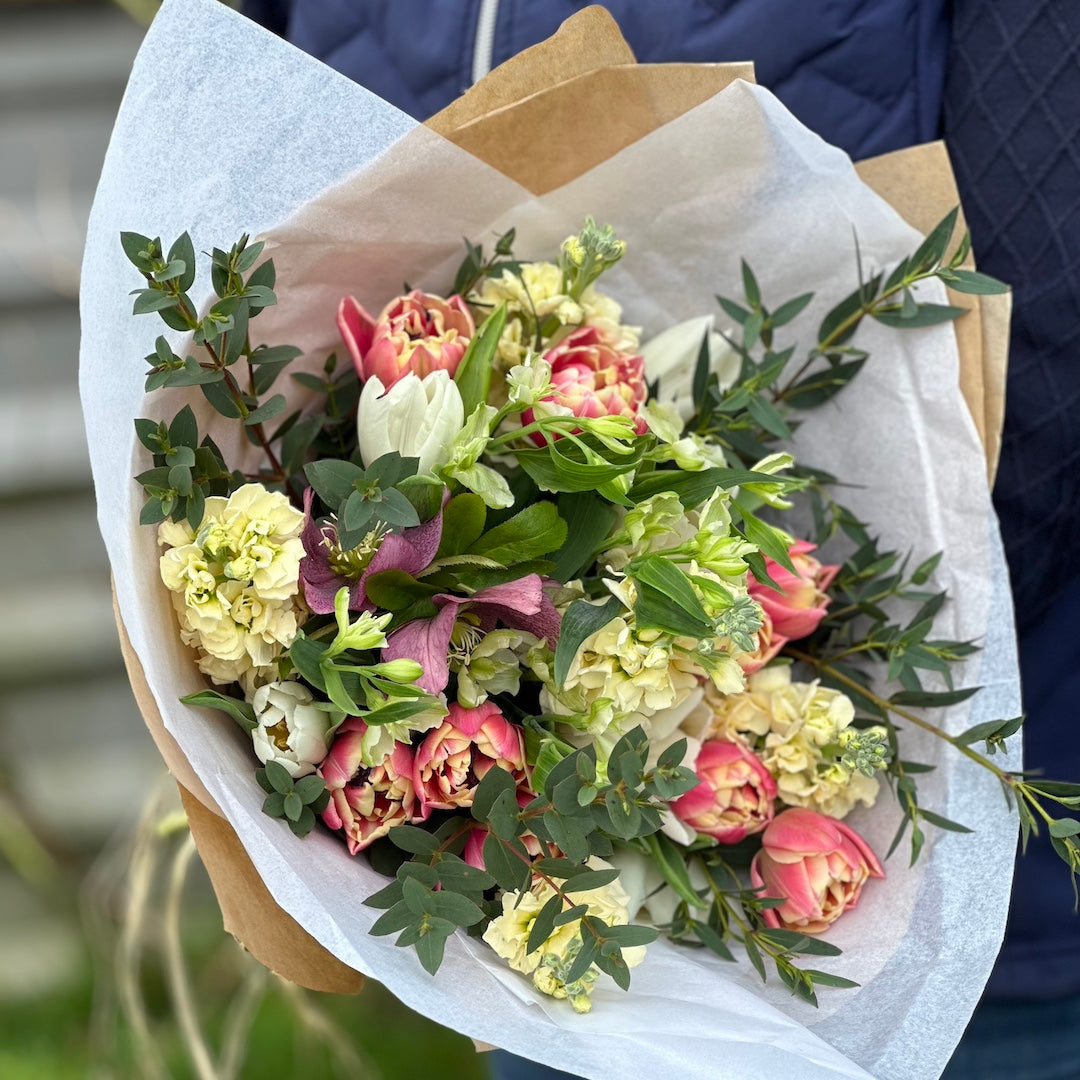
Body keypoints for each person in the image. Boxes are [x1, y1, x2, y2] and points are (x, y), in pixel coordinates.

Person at [240, 4, 1080, 1077]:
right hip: (548, 861)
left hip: (922, 840)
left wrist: (800, 682)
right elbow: (265, 103)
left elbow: (1050, 285)